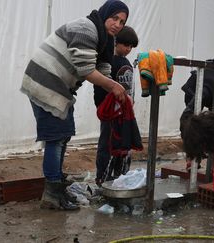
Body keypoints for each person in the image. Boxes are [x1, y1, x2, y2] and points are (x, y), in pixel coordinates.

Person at [20, 0, 129, 210]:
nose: (117, 24)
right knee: (56, 137)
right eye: (114, 18)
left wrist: (116, 95)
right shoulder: (86, 29)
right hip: (45, 81)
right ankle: (51, 194)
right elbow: (86, 70)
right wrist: (115, 87)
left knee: (63, 135)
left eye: (122, 21)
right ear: (105, 14)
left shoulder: (105, 39)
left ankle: (57, 189)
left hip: (58, 86)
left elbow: (103, 70)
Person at [93, 25, 139, 186]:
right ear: (116, 42)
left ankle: (118, 178)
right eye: (126, 45)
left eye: (131, 46)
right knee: (108, 144)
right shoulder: (107, 62)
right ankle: (104, 178)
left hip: (121, 113)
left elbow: (129, 90)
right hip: (110, 112)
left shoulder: (124, 64)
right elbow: (99, 85)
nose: (128, 49)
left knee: (120, 145)